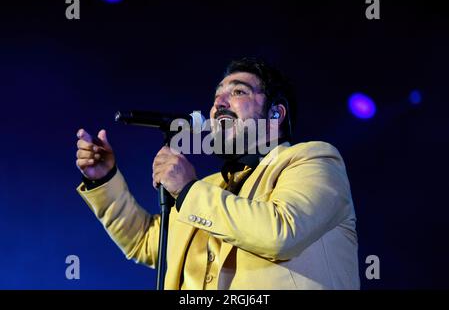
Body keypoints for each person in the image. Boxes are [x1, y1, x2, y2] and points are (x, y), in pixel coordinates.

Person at [75, 58, 360, 289]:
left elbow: (282, 233)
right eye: (216, 97)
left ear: (276, 114)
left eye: (237, 92)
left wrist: (187, 191)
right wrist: (104, 178)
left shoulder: (314, 160)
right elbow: (146, 242)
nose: (218, 104)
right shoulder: (211, 188)